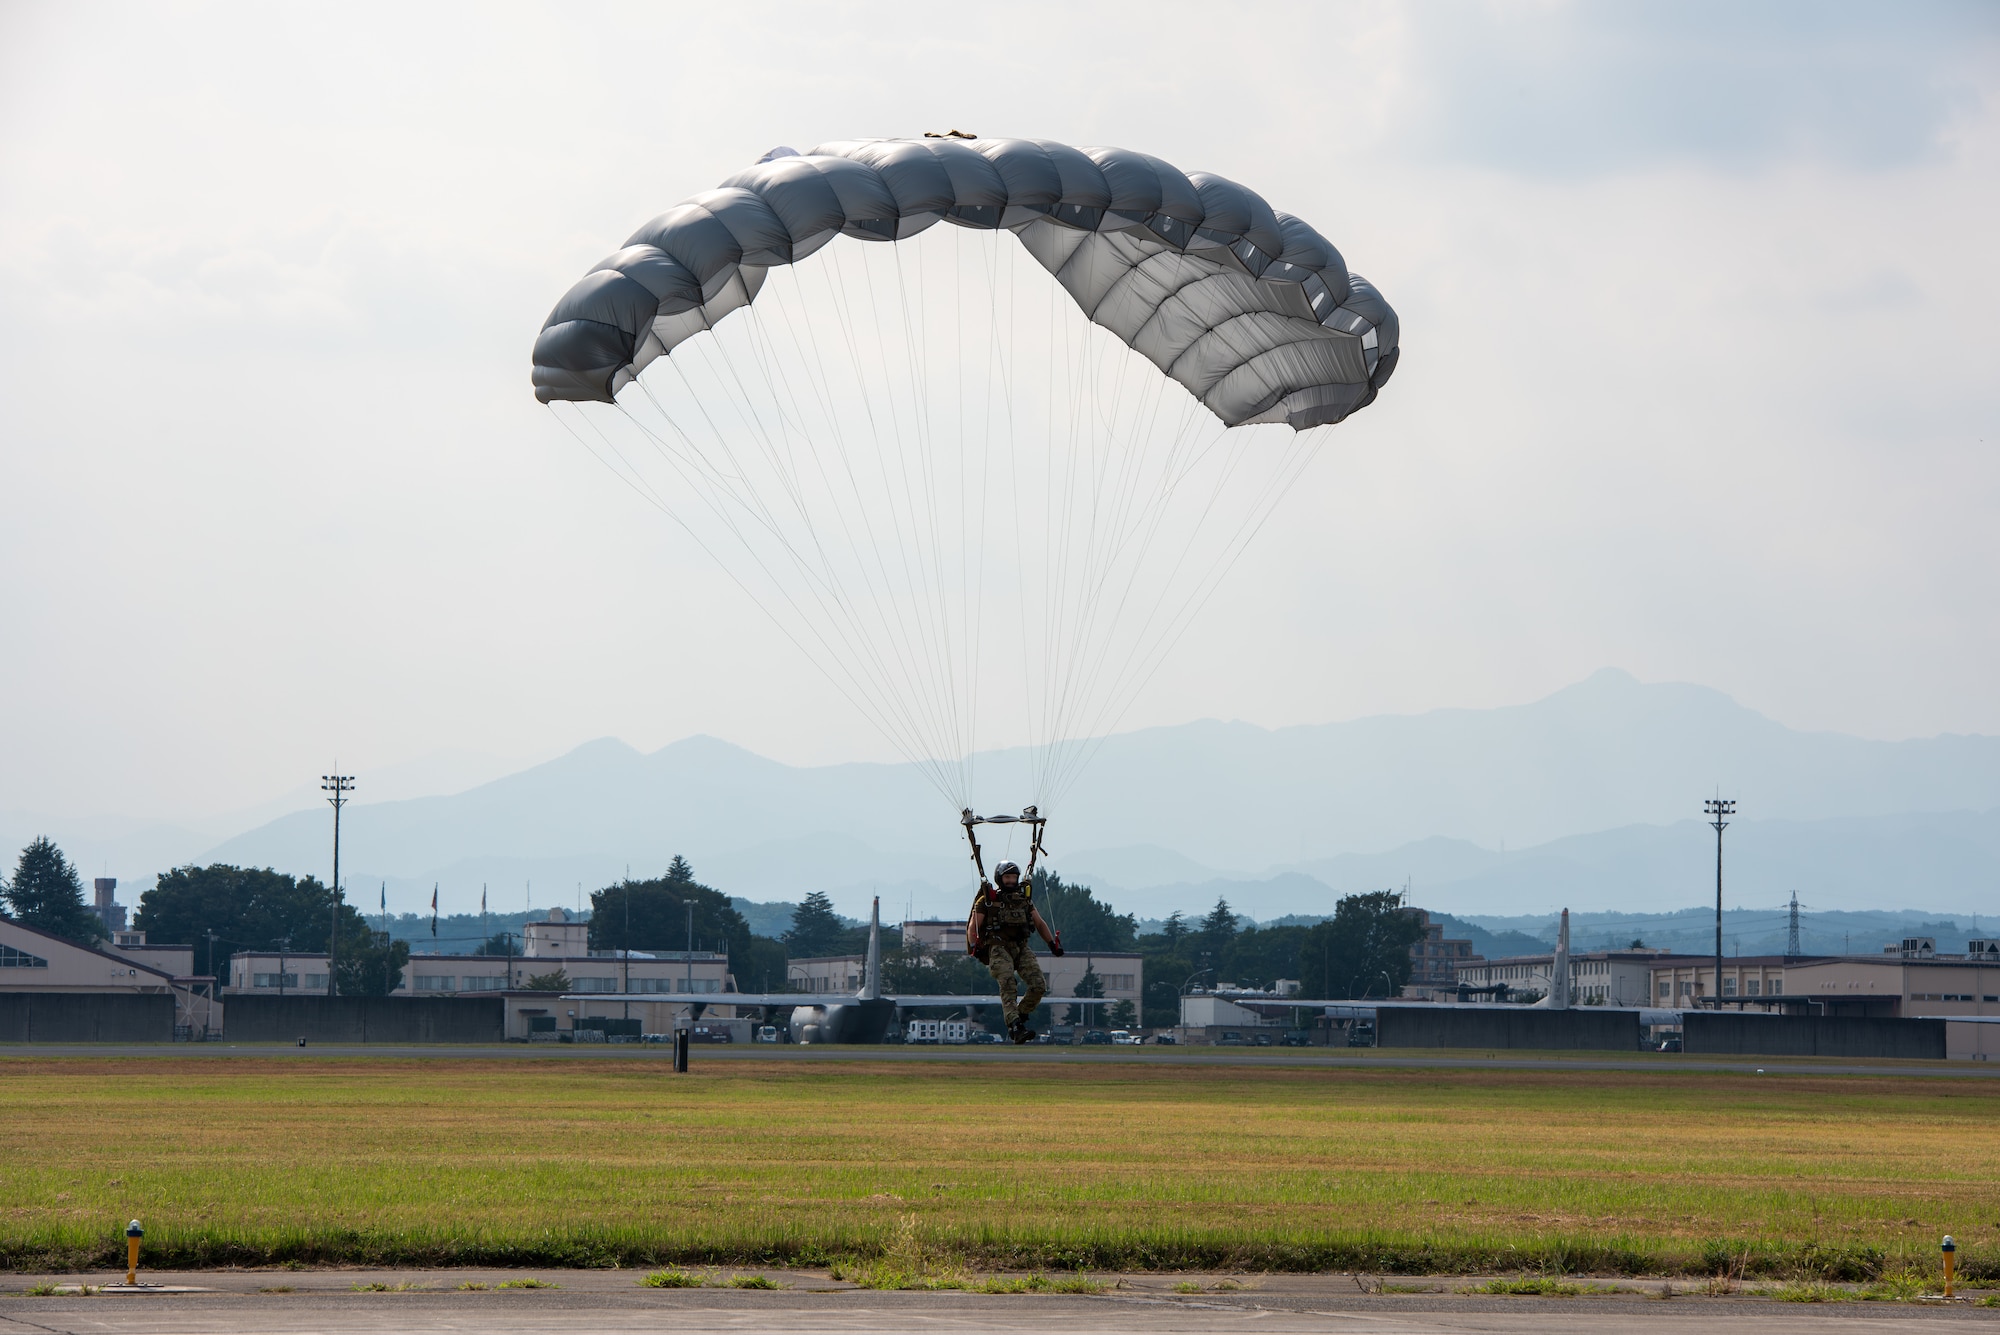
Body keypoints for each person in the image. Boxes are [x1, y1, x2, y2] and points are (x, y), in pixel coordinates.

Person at [967, 861, 1062, 1043]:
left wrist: (1052, 944)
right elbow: (973, 926)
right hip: (998, 947)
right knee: (1008, 983)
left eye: (1014, 878)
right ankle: (1016, 1026)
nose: (1011, 881)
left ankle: (1018, 1017)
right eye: (1007, 877)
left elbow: (1040, 923)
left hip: (1020, 948)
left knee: (1038, 985)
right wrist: (974, 946)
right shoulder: (987, 901)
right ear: (999, 879)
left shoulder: (1024, 901)